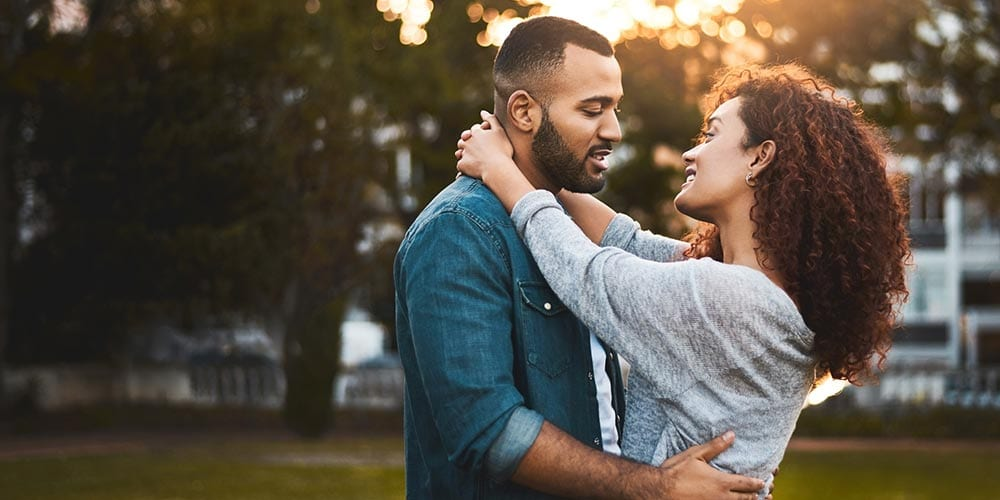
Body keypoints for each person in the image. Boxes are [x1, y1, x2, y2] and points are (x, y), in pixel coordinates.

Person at [455, 63, 911, 499]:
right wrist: (533, 162)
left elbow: (585, 272)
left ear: (760, 156)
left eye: (712, 135)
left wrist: (499, 169)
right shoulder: (757, 294)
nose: (692, 152)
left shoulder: (729, 300)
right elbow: (623, 239)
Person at [395, 15, 767, 500]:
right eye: (593, 109)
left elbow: (653, 256)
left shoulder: (570, 231)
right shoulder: (460, 230)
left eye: (614, 107)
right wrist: (656, 488)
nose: (613, 129)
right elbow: (489, 431)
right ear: (524, 112)